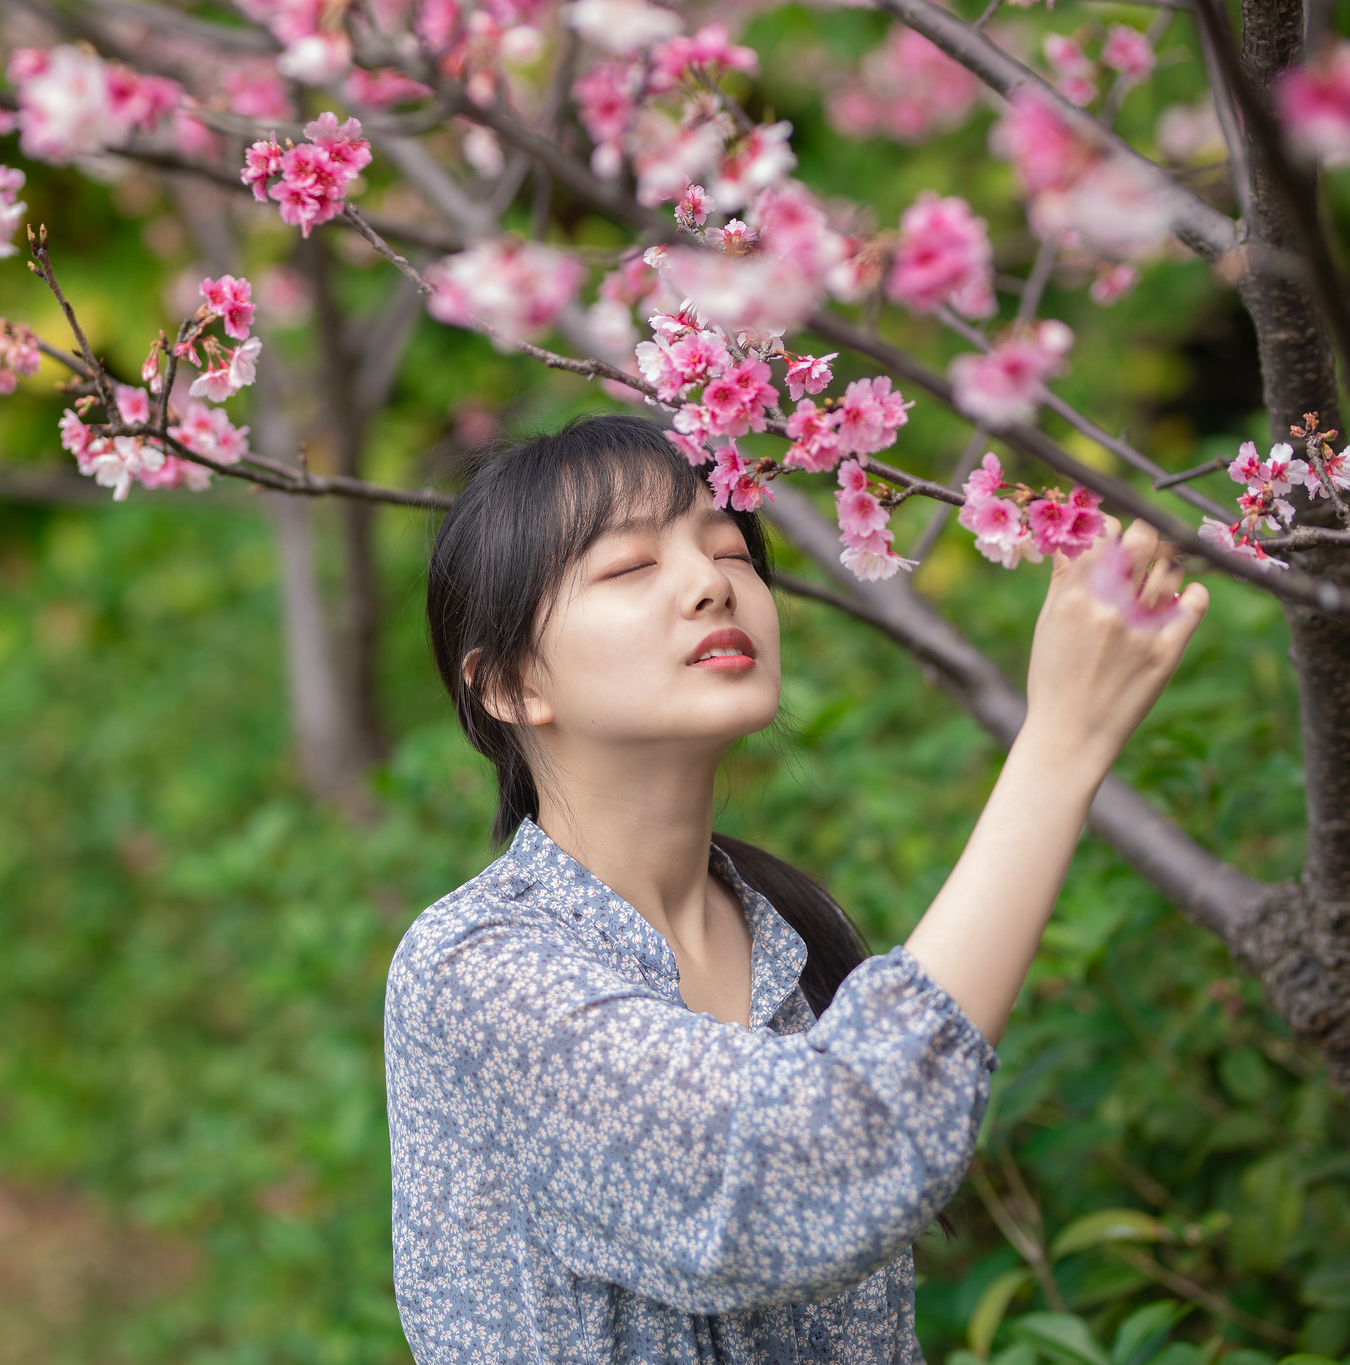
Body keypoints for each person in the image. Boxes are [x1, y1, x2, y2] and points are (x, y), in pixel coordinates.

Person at [385, 413, 1207, 1364]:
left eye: (731, 549)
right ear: (511, 683)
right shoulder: (477, 967)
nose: (711, 584)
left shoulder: (793, 944)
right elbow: (796, 1174)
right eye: (629, 567)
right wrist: (1061, 744)